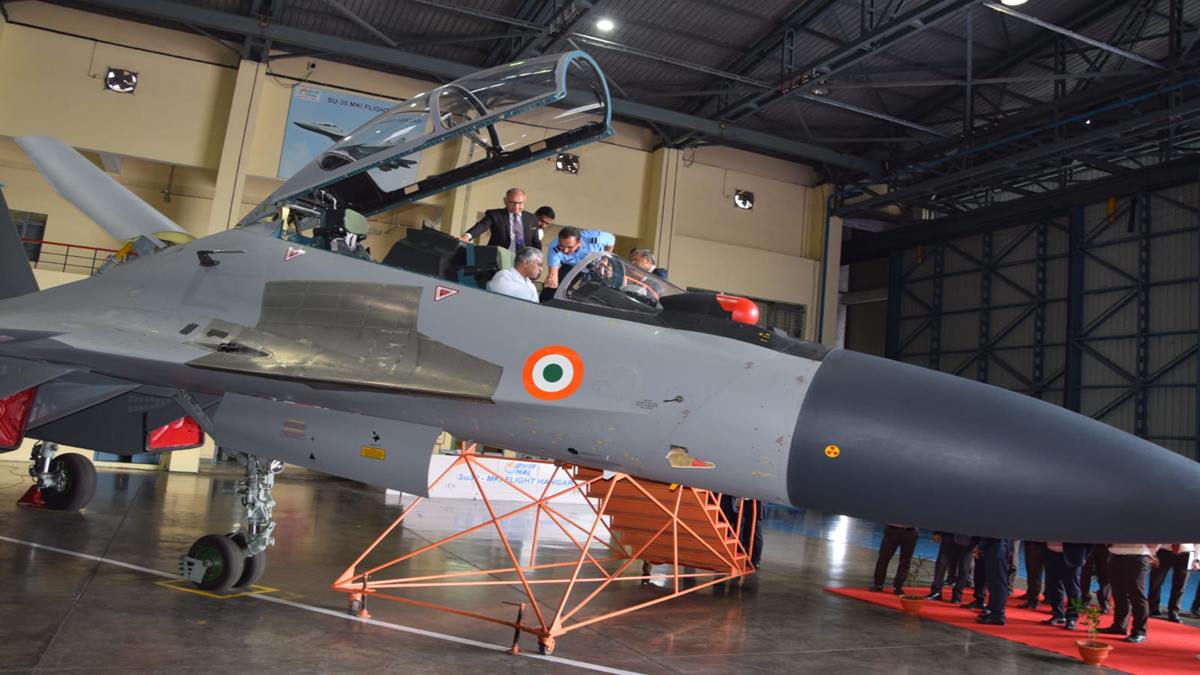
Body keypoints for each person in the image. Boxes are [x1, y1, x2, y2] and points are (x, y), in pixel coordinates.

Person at [1100, 543, 1159, 643]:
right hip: (1115, 554)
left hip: (1137, 555)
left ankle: (1139, 632)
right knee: (1118, 593)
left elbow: (1156, 539)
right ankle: (1119, 626)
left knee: (1136, 595)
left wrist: (1152, 552)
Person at [460, 187, 542, 252]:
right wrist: (466, 236)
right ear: (505, 201)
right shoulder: (495, 215)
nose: (516, 207)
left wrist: (537, 258)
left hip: (523, 262)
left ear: (525, 201)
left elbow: (536, 243)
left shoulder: (532, 218)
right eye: (512, 202)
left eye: (520, 203)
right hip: (499, 259)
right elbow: (481, 226)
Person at [544, 226, 615, 290]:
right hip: (571, 266)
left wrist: (605, 259)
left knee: (594, 290)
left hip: (595, 266)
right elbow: (553, 272)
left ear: (579, 242)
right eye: (562, 246)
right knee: (553, 288)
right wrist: (552, 279)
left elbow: (611, 240)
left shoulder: (596, 238)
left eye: (570, 247)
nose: (565, 250)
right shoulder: (555, 246)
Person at [1041, 542, 1091, 630]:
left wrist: (1083, 556)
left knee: (1073, 589)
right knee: (1053, 585)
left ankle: (1072, 618)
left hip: (1073, 556)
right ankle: (1058, 614)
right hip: (1050, 553)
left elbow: (1090, 540)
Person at [1148, 543, 1195, 622]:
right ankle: (1152, 607)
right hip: (1163, 551)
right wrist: (1153, 553)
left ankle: (1174, 612)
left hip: (1187, 553)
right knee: (1155, 582)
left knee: (1180, 585)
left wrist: (1197, 559)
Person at [927, 532, 973, 602]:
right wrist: (937, 532)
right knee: (940, 565)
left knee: (964, 569)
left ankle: (957, 595)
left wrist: (977, 542)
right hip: (948, 537)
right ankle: (936, 592)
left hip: (968, 541)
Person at [871, 524, 918, 595]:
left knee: (905, 561)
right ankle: (878, 584)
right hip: (892, 529)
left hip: (910, 531)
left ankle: (898, 587)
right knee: (883, 558)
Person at [976, 538, 1013, 625]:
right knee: (994, 583)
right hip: (997, 548)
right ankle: (994, 611)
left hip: (997, 549)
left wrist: (980, 546)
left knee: (998, 584)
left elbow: (993, 535)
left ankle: (998, 614)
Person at [1081, 544, 1112, 614]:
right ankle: (1084, 601)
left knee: (1106, 575)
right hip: (1086, 544)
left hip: (1106, 545)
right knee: (1084, 574)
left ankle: (1104, 603)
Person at [1016, 540, 1047, 609]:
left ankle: (1033, 600)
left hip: (1039, 540)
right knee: (1031, 567)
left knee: (1034, 569)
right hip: (1031, 539)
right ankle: (1032, 596)